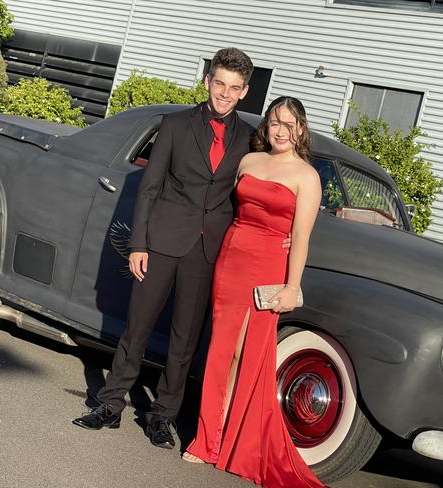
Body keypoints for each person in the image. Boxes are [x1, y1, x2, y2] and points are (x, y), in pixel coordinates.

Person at [73, 48, 289, 450]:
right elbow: (149, 188)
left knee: (184, 340)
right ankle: (110, 404)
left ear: (245, 92)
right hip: (161, 243)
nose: (225, 93)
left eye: (234, 87)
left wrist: (284, 232)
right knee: (136, 327)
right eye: (219, 83)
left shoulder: (250, 139)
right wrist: (139, 244)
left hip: (208, 251)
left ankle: (162, 416)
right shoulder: (172, 125)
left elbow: (261, 192)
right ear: (208, 81)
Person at [182, 96, 326, 488]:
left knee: (248, 354)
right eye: (275, 122)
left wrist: (291, 286)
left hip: (268, 268)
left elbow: (300, 238)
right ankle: (206, 440)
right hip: (231, 260)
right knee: (220, 351)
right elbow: (223, 206)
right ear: (268, 125)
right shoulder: (249, 162)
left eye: (289, 124)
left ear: (301, 129)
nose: (281, 130)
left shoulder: (307, 177)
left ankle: (232, 444)